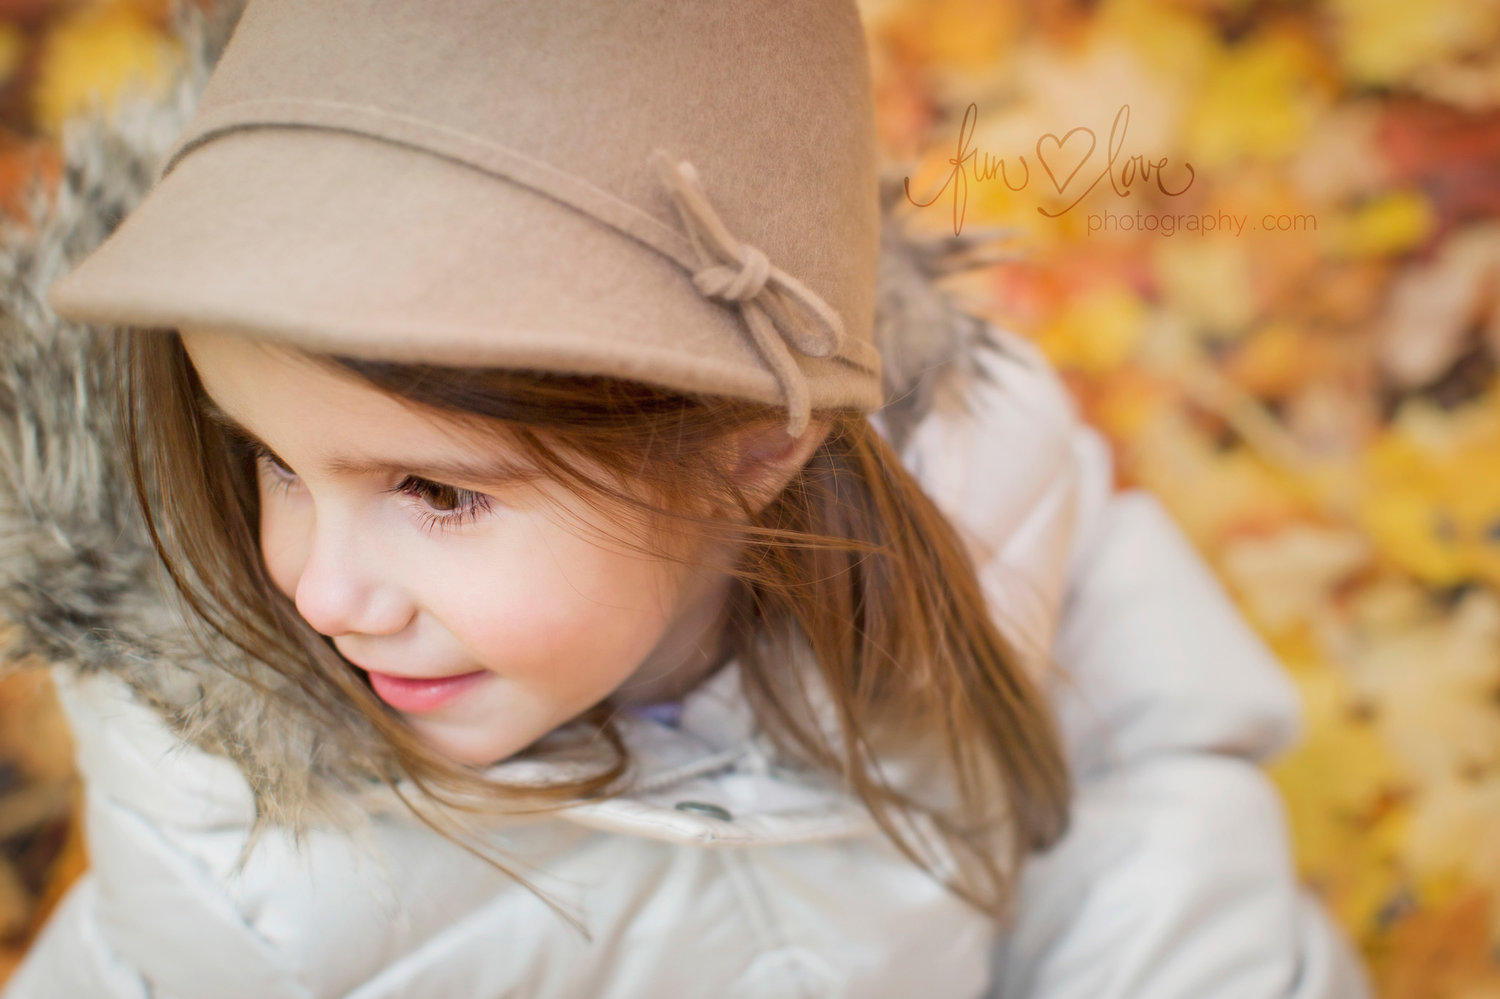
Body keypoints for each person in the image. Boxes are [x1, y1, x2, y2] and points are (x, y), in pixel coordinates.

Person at [0, 1, 1373, 996]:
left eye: (435, 492)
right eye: (270, 462)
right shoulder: (244, 868)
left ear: (753, 447)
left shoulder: (989, 491)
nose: (318, 589)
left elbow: (1148, 816)